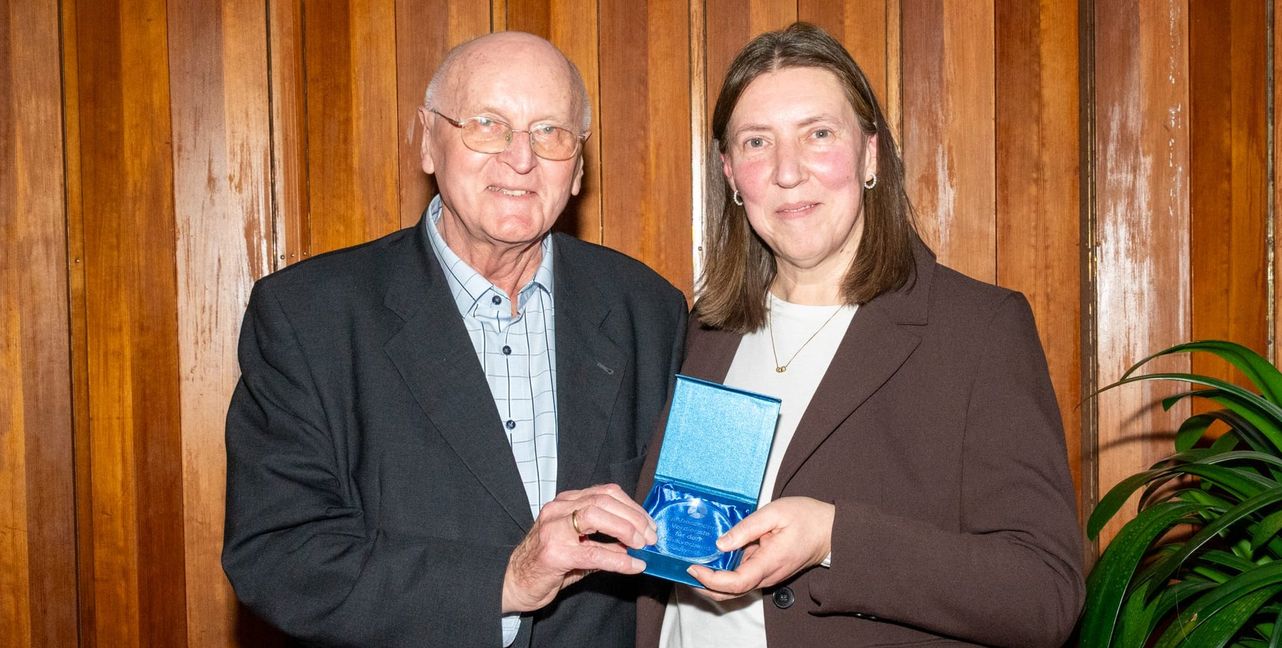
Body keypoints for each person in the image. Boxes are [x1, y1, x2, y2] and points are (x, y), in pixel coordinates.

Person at [223, 31, 687, 648]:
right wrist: (507, 580)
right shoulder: (310, 317)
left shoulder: (649, 310)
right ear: (427, 141)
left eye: (550, 132)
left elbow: (681, 530)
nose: (521, 159)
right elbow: (278, 555)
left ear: (577, 167)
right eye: (488, 125)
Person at [635, 22, 1083, 648]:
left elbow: (1045, 593)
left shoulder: (976, 330)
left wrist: (833, 540)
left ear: (871, 153)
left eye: (819, 134)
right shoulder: (706, 331)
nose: (788, 172)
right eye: (757, 142)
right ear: (731, 174)